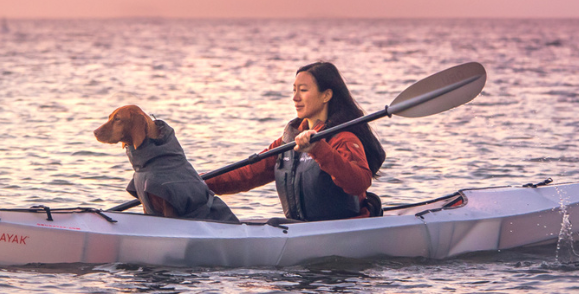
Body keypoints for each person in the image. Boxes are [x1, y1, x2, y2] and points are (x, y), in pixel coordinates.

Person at [206, 62, 385, 221]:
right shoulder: (288, 141)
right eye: (294, 90)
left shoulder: (344, 139)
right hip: (302, 228)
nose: (295, 97)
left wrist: (318, 149)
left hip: (345, 227)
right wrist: (197, 184)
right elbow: (248, 173)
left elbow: (359, 183)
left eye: (304, 90)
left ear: (326, 95)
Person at [95, 105, 238, 222]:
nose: (99, 130)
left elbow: (171, 224)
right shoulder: (144, 170)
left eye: (116, 120)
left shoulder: (165, 173)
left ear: (135, 128)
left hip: (217, 227)